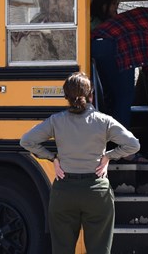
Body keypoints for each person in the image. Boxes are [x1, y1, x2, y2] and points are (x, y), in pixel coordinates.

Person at [20, 72, 140, 254]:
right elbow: (133, 145)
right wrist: (108, 155)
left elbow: (26, 141)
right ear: (91, 94)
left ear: (66, 96)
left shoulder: (56, 120)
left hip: (64, 192)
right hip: (97, 193)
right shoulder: (104, 121)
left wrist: (53, 158)